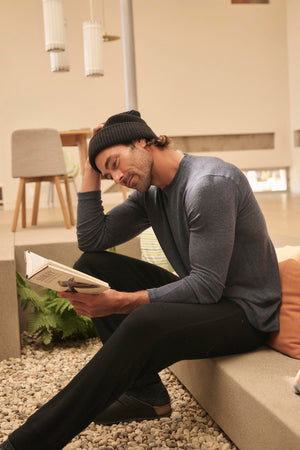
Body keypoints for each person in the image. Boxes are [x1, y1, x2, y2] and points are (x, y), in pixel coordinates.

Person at [1, 110, 281, 450]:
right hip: (210, 296)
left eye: (116, 163)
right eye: (108, 173)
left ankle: (28, 443)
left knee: (143, 317)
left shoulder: (208, 184)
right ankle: (147, 396)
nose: (117, 177)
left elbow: (207, 287)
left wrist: (120, 301)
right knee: (92, 267)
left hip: (246, 313)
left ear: (141, 140)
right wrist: (91, 166)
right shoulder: (151, 194)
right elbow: (92, 239)